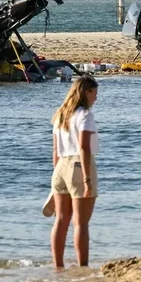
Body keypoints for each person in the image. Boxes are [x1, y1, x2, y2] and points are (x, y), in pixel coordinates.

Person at [50, 75, 100, 268]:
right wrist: (87, 179)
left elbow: (55, 151)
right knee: (81, 223)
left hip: (60, 167)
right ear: (86, 92)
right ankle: (83, 267)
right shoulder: (85, 115)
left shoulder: (61, 115)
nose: (96, 98)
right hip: (79, 165)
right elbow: (84, 148)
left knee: (61, 220)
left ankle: (58, 266)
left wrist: (57, 174)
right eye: (94, 93)